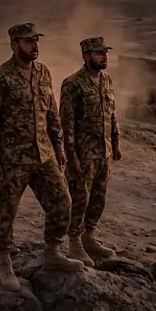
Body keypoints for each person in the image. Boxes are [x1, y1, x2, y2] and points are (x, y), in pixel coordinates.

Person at [0, 22, 85, 291]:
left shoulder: (43, 73)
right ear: (14, 45)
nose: (35, 46)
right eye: (29, 41)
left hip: (44, 154)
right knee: (6, 210)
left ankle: (52, 252)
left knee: (63, 202)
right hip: (12, 158)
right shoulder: (0, 77)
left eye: (36, 40)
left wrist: (59, 148)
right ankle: (4, 261)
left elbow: (51, 113)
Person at [59, 36, 121, 267]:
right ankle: (74, 240)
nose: (104, 56)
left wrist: (115, 143)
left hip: (103, 151)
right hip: (82, 154)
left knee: (98, 197)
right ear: (86, 56)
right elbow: (67, 123)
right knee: (79, 198)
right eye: (98, 53)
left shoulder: (107, 81)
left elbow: (112, 114)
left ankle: (89, 235)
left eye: (105, 52)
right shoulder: (73, 84)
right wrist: (71, 155)